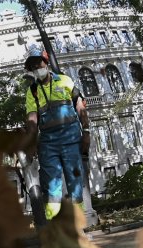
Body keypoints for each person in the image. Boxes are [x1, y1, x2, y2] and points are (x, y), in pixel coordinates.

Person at [23, 49, 90, 221]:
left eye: (39, 64)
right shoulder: (33, 91)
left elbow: (80, 107)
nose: (37, 69)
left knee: (75, 182)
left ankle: (77, 225)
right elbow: (32, 121)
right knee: (51, 187)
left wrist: (87, 132)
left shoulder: (65, 81)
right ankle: (55, 228)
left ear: (46, 63)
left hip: (72, 140)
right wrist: (31, 144)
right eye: (33, 67)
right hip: (48, 144)